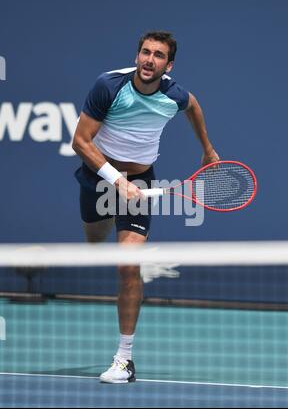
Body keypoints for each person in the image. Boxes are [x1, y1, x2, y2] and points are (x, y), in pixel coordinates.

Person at [72, 30, 219, 384]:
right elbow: (80, 141)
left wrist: (207, 148)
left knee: (126, 269)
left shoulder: (174, 95)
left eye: (157, 55)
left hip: (139, 181)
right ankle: (112, 239)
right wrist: (115, 180)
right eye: (145, 52)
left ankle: (124, 359)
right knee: (95, 244)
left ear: (168, 65)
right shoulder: (109, 86)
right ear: (137, 55)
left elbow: (194, 107)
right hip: (99, 177)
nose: (149, 60)